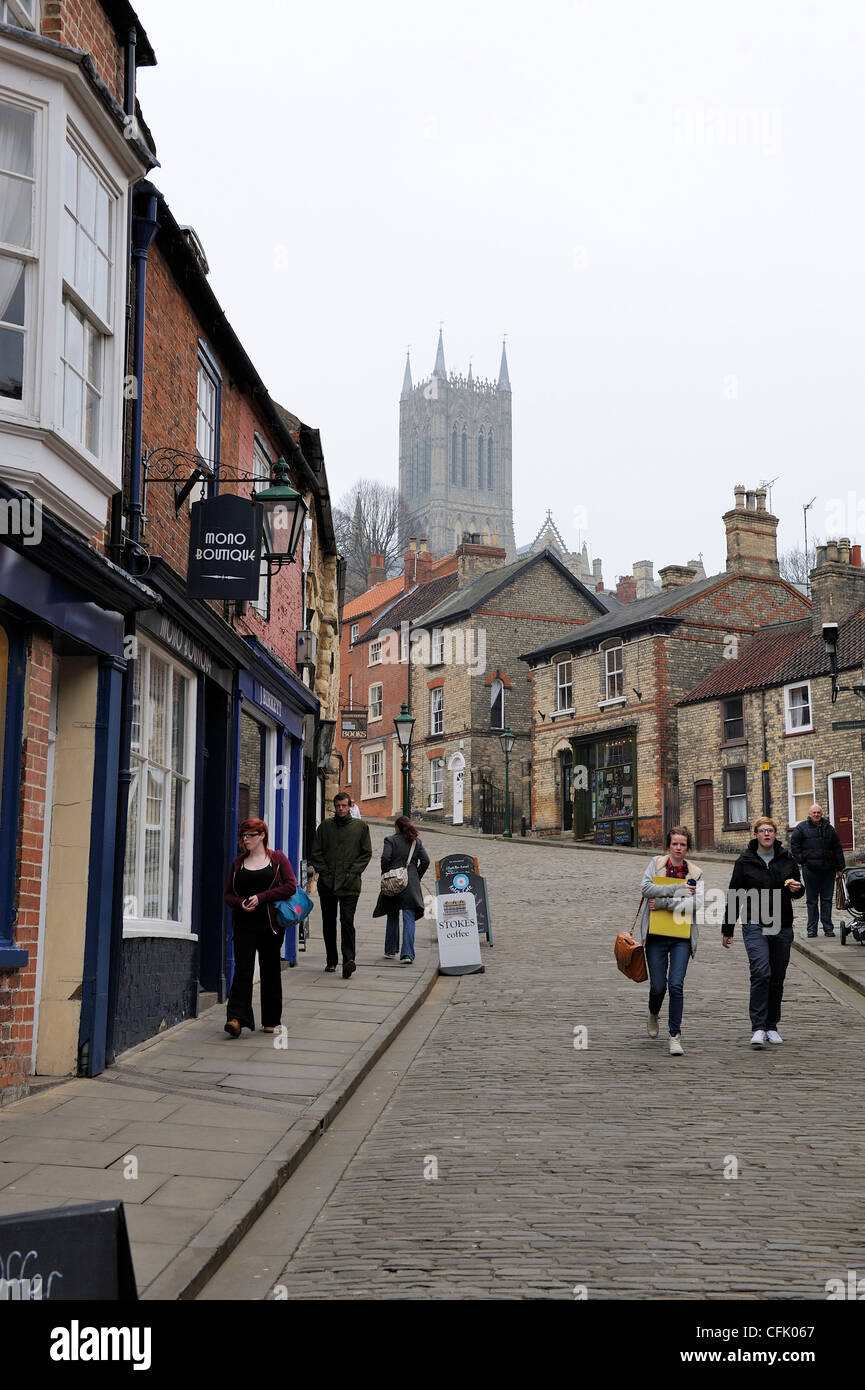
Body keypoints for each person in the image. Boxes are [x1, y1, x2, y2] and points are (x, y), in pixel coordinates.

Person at [722, 816, 804, 1048]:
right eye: (762, 830)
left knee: (777, 977)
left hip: (781, 924)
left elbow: (796, 890)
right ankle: (758, 1027)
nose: (767, 834)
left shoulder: (787, 859)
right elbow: (734, 894)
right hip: (754, 922)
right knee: (761, 972)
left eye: (770, 830)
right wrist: (727, 929)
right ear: (756, 835)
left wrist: (798, 889)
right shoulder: (745, 861)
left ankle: (771, 1025)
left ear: (775, 835)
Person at [223, 819, 297, 1038]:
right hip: (244, 925)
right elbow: (228, 894)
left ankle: (272, 1020)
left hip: (270, 926)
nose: (245, 840)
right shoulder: (238, 864)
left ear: (262, 836)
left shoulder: (277, 859)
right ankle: (236, 1019)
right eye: (243, 836)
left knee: (270, 971)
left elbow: (290, 885)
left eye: (250, 835)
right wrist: (240, 903)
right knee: (243, 971)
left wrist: (261, 897)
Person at [638, 826, 705, 1056]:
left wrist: (665, 902)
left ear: (688, 848)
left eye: (683, 844)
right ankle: (653, 1012)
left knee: (676, 985)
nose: (678, 848)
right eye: (675, 844)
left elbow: (695, 904)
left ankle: (675, 1036)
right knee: (658, 987)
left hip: (681, 938)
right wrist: (677, 888)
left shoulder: (695, 872)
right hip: (656, 936)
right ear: (669, 845)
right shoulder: (656, 864)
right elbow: (646, 888)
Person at [310, 791, 373, 978]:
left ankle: (348, 960)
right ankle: (331, 960)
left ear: (349, 806)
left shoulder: (360, 827)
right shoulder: (325, 827)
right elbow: (316, 852)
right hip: (327, 885)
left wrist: (353, 871)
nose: (341, 809)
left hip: (350, 884)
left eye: (344, 806)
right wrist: (325, 872)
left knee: (347, 921)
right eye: (338, 806)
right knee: (328, 923)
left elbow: (366, 853)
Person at [372, 816, 430, 963]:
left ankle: (391, 949)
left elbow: (385, 858)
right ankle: (407, 954)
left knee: (392, 915)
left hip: (393, 882)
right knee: (408, 918)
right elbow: (426, 861)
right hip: (410, 883)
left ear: (397, 827)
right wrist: (416, 876)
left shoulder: (390, 840)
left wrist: (386, 874)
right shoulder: (416, 842)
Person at [790, 803, 845, 938]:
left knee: (827, 899)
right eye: (814, 812)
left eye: (818, 813)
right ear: (809, 814)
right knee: (812, 900)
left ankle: (828, 928)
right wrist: (803, 860)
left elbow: (837, 848)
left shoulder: (829, 829)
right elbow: (794, 845)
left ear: (821, 814)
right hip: (810, 870)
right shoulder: (801, 828)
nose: (816, 815)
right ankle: (811, 929)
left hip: (828, 870)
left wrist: (840, 867)